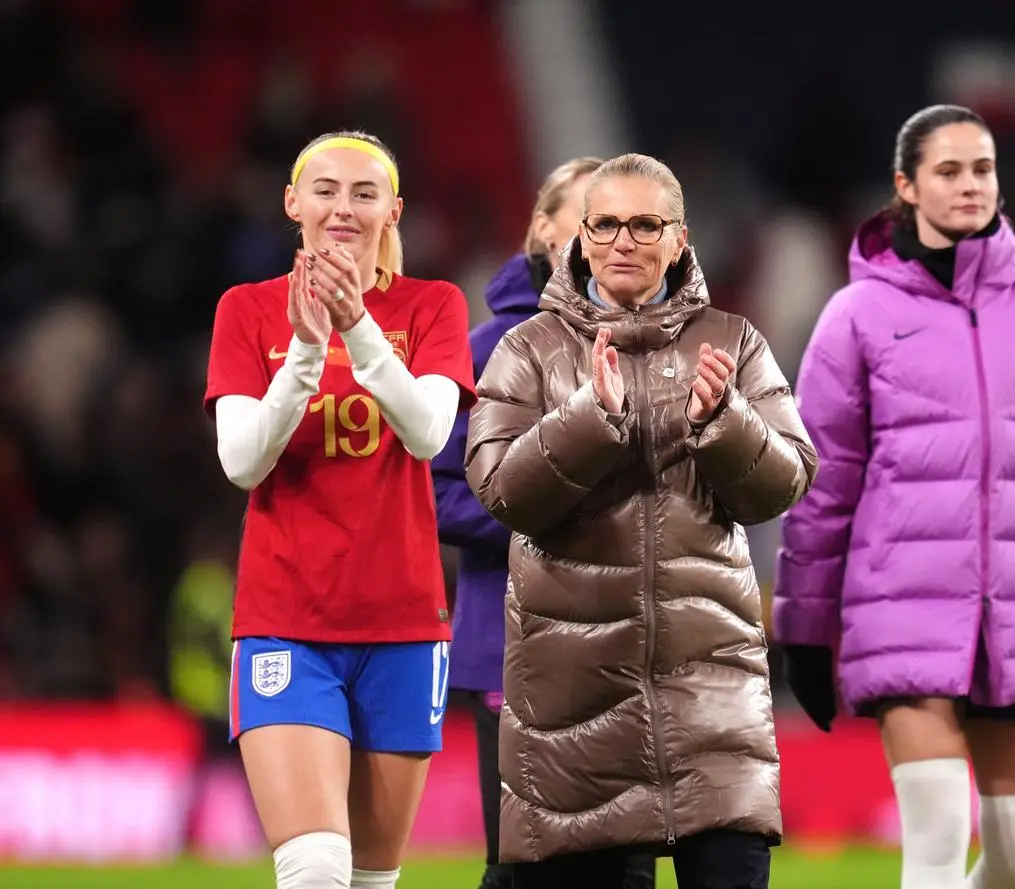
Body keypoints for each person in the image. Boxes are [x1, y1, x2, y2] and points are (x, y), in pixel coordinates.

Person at [771, 104, 1015, 889]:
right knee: (935, 847)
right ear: (906, 185)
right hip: (903, 611)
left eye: (983, 169)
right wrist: (801, 624)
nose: (971, 185)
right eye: (949, 170)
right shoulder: (857, 316)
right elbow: (820, 482)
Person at [464, 153, 818, 889]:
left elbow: (785, 480)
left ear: (680, 237)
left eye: (645, 224)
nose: (625, 240)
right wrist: (591, 420)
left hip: (711, 701)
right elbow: (501, 491)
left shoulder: (735, 340)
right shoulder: (525, 352)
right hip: (576, 710)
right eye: (607, 224)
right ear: (581, 239)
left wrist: (726, 421)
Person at [204, 130, 477, 889]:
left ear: (395, 209)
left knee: (369, 880)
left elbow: (426, 433)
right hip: (288, 621)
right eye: (324, 190)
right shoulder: (248, 310)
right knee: (316, 869)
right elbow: (242, 460)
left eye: (365, 193)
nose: (344, 208)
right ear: (293, 203)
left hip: (403, 624)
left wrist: (356, 327)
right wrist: (302, 350)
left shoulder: (434, 305)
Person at [434, 155, 657, 889]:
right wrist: (557, 512)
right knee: (525, 868)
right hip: (512, 639)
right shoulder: (483, 350)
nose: (608, 233)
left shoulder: (662, 342)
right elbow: (438, 491)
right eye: (591, 214)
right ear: (543, 228)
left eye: (626, 218)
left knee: (626, 867)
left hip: (631, 645)